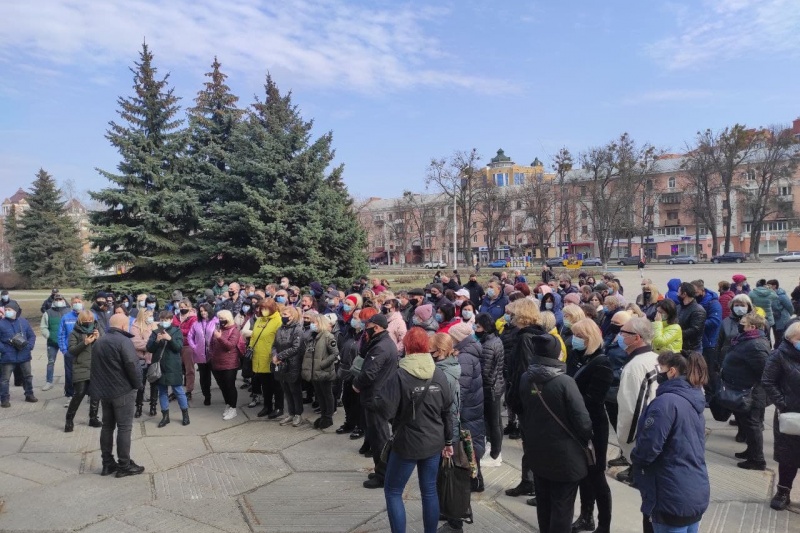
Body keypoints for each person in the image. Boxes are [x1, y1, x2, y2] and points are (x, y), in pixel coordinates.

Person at [511, 316, 592, 533]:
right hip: (565, 457)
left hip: (537, 451)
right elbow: (583, 421)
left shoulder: (527, 378)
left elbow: (516, 405)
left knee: (544, 504)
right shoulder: (565, 382)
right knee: (562, 507)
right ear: (558, 353)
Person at [377, 327, 454, 533]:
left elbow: (386, 410)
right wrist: (448, 442)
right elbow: (448, 411)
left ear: (408, 348)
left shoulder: (400, 374)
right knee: (429, 491)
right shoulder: (439, 373)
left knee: (393, 491)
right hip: (434, 440)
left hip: (407, 442)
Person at [632, 350, 710, 533]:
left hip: (669, 496)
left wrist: (635, 460)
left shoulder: (665, 403)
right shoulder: (693, 398)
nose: (659, 373)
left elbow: (648, 449)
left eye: (661, 369)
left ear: (672, 372)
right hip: (693, 491)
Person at [504, 298, 559, 502]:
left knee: (534, 443)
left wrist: (518, 396)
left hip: (529, 397)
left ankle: (537, 484)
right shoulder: (532, 335)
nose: (510, 317)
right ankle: (528, 481)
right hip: (527, 395)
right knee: (529, 443)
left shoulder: (527, 337)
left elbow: (527, 370)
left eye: (513, 313)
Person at [88, 313, 144, 477]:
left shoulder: (100, 341)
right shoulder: (123, 341)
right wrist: (138, 385)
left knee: (107, 426)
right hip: (122, 391)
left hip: (106, 392)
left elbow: (95, 368)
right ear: (122, 326)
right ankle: (124, 465)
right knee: (124, 428)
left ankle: (107, 463)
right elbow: (132, 366)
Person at [570, 319, 613, 533]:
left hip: (594, 426)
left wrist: (570, 400)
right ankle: (586, 516)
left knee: (596, 476)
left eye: (578, 336)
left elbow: (594, 399)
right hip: (581, 424)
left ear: (588, 338)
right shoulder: (583, 358)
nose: (574, 339)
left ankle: (604, 523)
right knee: (584, 475)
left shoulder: (601, 362)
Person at [721, 312, 770, 470]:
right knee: (746, 423)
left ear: (752, 327)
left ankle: (757, 460)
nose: (739, 325)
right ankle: (751, 451)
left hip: (751, 392)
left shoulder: (756, 345)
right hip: (741, 388)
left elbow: (763, 372)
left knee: (752, 424)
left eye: (743, 323)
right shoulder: (747, 340)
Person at [354, 313, 398, 489]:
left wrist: (357, 384)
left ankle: (383, 475)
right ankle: (381, 469)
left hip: (377, 397)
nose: (366, 331)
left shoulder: (381, 347)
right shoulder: (382, 343)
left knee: (379, 438)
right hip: (378, 395)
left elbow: (370, 373)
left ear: (377, 328)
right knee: (376, 436)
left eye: (369, 327)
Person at [615, 317, 660, 485]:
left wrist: (626, 442)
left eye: (623, 333)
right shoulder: (654, 357)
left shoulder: (634, 367)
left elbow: (632, 410)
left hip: (642, 437)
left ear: (637, 338)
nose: (619, 336)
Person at [762, 321, 800, 511]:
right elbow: (768, 381)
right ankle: (783, 492)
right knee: (788, 456)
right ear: (791, 338)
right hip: (790, 415)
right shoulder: (779, 355)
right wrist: (783, 404)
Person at [448, 321, 486, 492]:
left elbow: (461, 388)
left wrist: (455, 411)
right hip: (473, 406)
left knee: (468, 445)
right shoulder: (468, 352)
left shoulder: (464, 357)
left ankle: (474, 480)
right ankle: (476, 479)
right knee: (472, 443)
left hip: (467, 409)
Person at [147, 310, 190, 428]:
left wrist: (169, 339)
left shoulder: (176, 331)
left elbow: (178, 348)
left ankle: (185, 414)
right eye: (162, 320)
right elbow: (149, 348)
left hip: (173, 366)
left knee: (178, 390)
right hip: (159, 366)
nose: (163, 322)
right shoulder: (156, 332)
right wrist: (156, 341)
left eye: (166, 320)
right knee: (162, 391)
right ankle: (165, 416)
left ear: (171, 320)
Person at [474, 312, 505, 468]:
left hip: (490, 388)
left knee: (493, 422)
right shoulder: (495, 340)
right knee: (496, 421)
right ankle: (495, 449)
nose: (475, 328)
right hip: (496, 385)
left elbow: (485, 372)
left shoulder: (488, 345)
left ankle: (495, 453)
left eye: (478, 326)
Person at [65, 310, 103, 431]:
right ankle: (69, 420)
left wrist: (99, 338)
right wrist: (85, 342)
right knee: (79, 393)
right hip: (81, 367)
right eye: (85, 321)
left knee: (96, 394)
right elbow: (71, 350)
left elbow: (105, 348)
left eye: (90, 320)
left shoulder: (98, 330)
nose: (88, 323)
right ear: (80, 321)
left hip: (96, 367)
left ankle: (93, 418)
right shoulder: (74, 333)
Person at [302, 314, 339, 429]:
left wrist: (322, 364)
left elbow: (335, 353)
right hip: (314, 372)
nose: (313, 324)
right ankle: (323, 415)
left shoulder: (328, 336)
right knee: (319, 395)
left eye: (315, 322)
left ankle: (328, 417)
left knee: (327, 394)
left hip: (324, 371)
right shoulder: (313, 336)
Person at [249, 298, 283, 417]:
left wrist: (277, 355)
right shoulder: (259, 320)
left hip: (272, 358)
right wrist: (250, 347)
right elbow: (253, 336)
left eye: (266, 308)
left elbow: (280, 341)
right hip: (259, 357)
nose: (263, 311)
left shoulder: (278, 320)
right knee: (265, 385)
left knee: (276, 385)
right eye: (262, 308)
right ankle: (267, 406)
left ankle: (279, 407)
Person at [273, 306, 306, 427]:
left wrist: (280, 356)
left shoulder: (297, 329)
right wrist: (274, 355)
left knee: (295, 390)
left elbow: (296, 347)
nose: (283, 317)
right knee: (286, 390)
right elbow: (274, 345)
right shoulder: (280, 328)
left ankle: (298, 414)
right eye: (282, 314)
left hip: (293, 364)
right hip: (281, 364)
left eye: (285, 314)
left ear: (292, 316)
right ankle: (291, 413)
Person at [0, 303, 37, 407]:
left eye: (9, 309)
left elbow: (31, 336)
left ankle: (29, 394)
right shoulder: (1, 323)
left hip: (24, 355)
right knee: (4, 379)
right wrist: (4, 350)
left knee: (28, 377)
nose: (7, 311)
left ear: (16, 311)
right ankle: (4, 399)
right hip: (8, 356)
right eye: (6, 309)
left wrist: (29, 346)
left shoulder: (23, 322)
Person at [208, 310, 242, 421]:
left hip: (230, 364)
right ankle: (228, 404)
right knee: (222, 386)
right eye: (219, 318)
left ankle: (233, 408)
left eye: (223, 318)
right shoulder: (219, 329)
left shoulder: (234, 330)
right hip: (217, 362)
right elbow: (212, 344)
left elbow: (230, 346)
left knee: (230, 386)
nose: (221, 320)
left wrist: (219, 337)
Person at [187, 303, 217, 406]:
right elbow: (190, 336)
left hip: (214, 354)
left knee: (219, 376)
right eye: (201, 311)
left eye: (205, 310)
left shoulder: (216, 321)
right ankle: (207, 396)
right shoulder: (196, 323)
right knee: (204, 377)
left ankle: (226, 395)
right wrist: (194, 347)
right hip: (200, 354)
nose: (203, 313)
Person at [40, 293, 70, 391]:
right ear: (54, 301)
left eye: (60, 299)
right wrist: (49, 335)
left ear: (63, 300)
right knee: (51, 362)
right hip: (52, 343)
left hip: (66, 342)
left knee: (69, 363)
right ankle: (49, 382)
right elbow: (43, 327)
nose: (58, 301)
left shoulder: (68, 312)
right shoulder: (48, 313)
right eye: (56, 300)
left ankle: (70, 382)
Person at [130, 309, 157, 417]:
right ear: (143, 316)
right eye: (149, 315)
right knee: (141, 385)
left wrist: (149, 344)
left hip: (154, 359)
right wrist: (152, 345)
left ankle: (153, 406)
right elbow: (136, 343)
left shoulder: (154, 326)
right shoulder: (135, 327)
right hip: (142, 360)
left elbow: (160, 340)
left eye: (152, 315)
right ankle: (139, 406)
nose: (151, 317)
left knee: (154, 384)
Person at [172, 298, 197, 401]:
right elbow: (172, 329)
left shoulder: (193, 318)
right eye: (181, 307)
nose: (182, 309)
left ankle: (189, 391)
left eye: (185, 307)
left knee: (189, 370)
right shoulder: (175, 317)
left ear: (190, 308)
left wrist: (178, 330)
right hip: (176, 345)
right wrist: (180, 331)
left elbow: (191, 331)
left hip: (188, 346)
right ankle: (175, 391)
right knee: (175, 369)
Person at [676, 282, 706, 353]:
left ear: (684, 294)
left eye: (678, 292)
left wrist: (676, 334)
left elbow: (694, 330)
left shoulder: (698, 310)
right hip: (680, 346)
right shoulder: (678, 307)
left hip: (692, 349)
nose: (677, 294)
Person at [767, 279, 793, 348]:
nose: (767, 287)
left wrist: (788, 315)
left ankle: (778, 350)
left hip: (781, 319)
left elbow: (790, 306)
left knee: (780, 337)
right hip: (772, 319)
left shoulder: (781, 295)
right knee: (775, 335)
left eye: (769, 285)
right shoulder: (768, 294)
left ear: (774, 286)